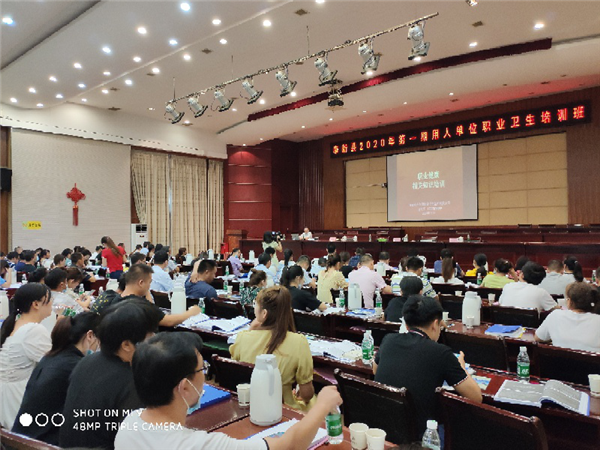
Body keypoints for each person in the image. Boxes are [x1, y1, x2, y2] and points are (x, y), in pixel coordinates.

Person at [115, 332, 343, 450]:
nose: (205, 377)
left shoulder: (129, 423)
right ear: (184, 387)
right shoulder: (200, 445)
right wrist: (322, 405)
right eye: (202, 369)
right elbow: (290, 446)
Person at [60, 299, 163, 449]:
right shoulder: (134, 381)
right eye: (150, 336)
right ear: (126, 345)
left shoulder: (86, 361)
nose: (154, 339)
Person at [374, 295, 482, 438]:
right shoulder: (441, 353)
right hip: (419, 437)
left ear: (406, 324)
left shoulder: (388, 340)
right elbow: (476, 397)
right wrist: (461, 368)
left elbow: (375, 370)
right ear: (435, 324)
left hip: (381, 428)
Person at [12, 312, 100, 444]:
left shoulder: (52, 357)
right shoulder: (75, 365)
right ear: (90, 336)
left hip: (22, 438)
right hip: (42, 442)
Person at [231, 287, 317, 411]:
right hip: (284, 409)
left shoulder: (242, 337)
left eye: (255, 305)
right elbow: (307, 395)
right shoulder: (299, 341)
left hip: (251, 404)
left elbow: (236, 370)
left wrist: (251, 329)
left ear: (264, 313)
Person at [0, 284, 53, 429]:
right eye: (49, 298)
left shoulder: (16, 324)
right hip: (19, 404)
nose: (52, 302)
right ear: (36, 304)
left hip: (8, 403)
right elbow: (54, 364)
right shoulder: (33, 330)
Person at [535, 282, 600, 352]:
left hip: (558, 358)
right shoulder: (597, 320)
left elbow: (538, 338)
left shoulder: (555, 315)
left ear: (570, 301)